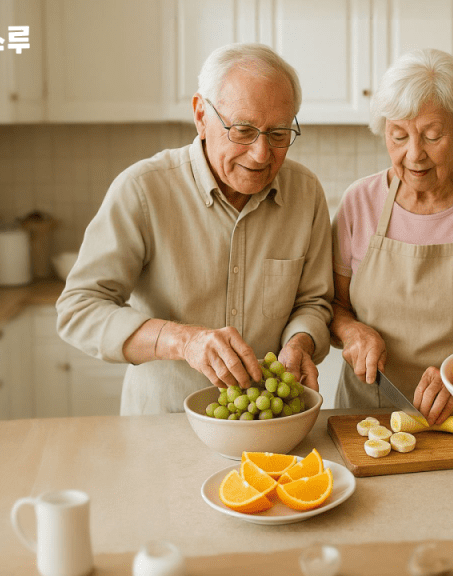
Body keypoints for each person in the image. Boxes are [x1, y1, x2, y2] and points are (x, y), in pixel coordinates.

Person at [56, 44, 333, 415]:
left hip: (268, 423)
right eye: (243, 130)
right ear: (201, 115)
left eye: (279, 134)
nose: (261, 154)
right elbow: (78, 309)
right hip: (160, 423)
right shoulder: (142, 189)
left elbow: (313, 302)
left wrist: (300, 342)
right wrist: (182, 341)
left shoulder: (306, 192)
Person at [330, 48, 453, 424]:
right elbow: (334, 307)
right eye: (398, 135)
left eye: (432, 136)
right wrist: (353, 332)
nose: (414, 154)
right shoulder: (358, 201)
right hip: (366, 414)